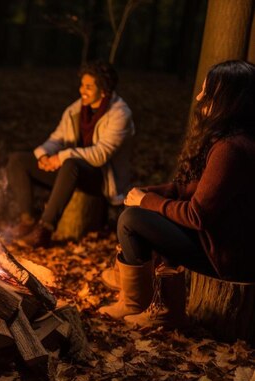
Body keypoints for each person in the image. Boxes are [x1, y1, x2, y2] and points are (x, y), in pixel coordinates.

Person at [99, 60, 255, 329]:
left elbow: (196, 215)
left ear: (229, 99)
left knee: (132, 219)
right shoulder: (230, 138)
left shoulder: (232, 149)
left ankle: (150, 306)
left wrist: (146, 202)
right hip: (216, 240)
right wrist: (150, 193)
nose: (199, 97)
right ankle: (137, 287)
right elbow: (190, 189)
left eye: (208, 92)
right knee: (143, 212)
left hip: (228, 256)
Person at [5, 61, 134, 248]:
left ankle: (45, 230)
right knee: (18, 161)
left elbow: (101, 154)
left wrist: (62, 157)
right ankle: (27, 220)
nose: (82, 90)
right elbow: (57, 139)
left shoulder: (120, 114)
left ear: (104, 89)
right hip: (70, 171)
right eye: (82, 85)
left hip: (103, 179)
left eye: (88, 87)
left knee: (70, 164)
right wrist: (43, 155)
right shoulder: (76, 110)